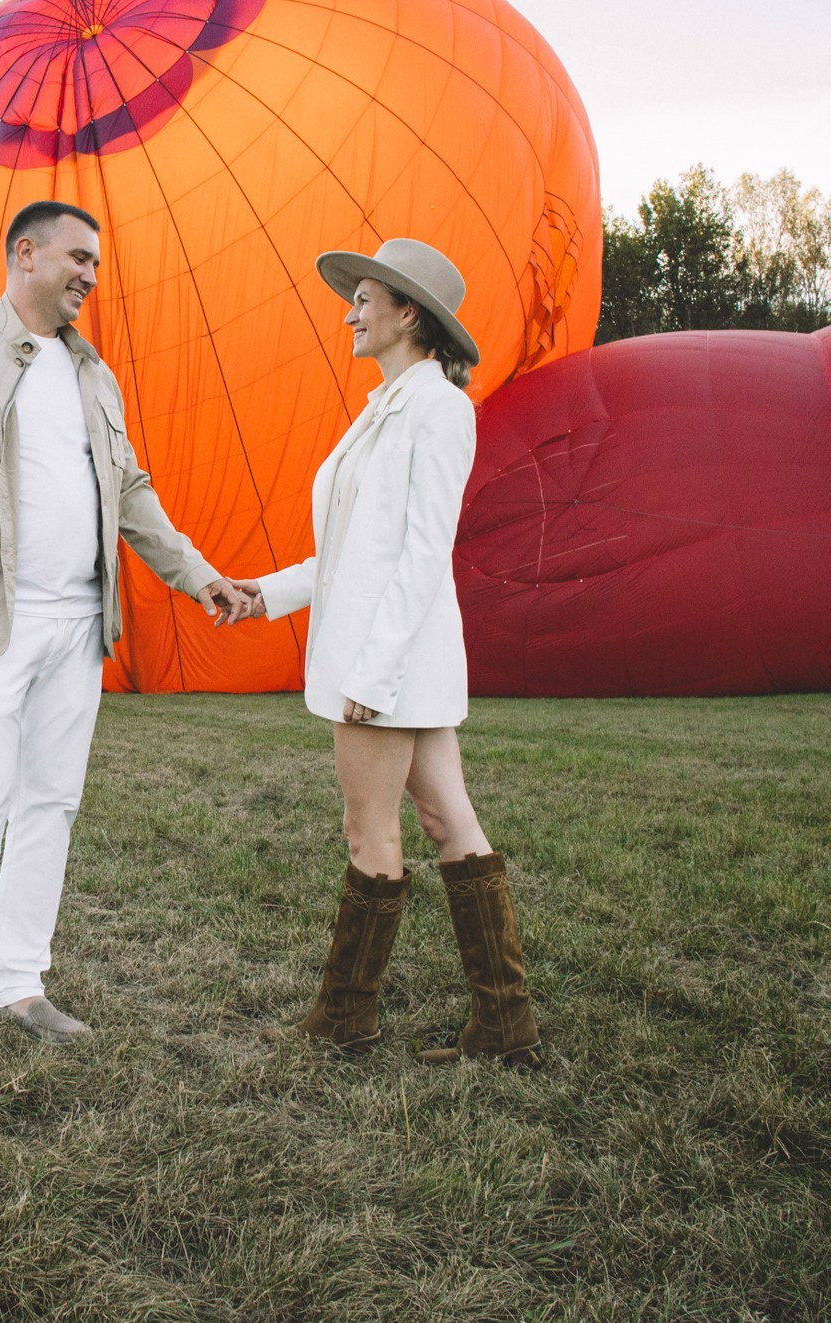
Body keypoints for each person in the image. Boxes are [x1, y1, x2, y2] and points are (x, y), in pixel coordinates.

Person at [0, 199, 254, 1096]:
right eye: (78, 257)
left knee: (49, 803)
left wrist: (198, 577)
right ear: (25, 253)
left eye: (96, 262)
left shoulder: (96, 376)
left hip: (80, 623)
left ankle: (21, 985)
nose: (90, 274)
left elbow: (134, 494)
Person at [229, 238, 540, 1066]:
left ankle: (345, 1017)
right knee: (447, 819)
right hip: (400, 660)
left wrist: (372, 673)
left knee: (370, 832)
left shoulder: (438, 409)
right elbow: (353, 549)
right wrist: (268, 592)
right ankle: (504, 1023)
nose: (350, 311)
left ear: (409, 312)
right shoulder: (385, 406)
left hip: (387, 662)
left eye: (364, 298)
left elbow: (422, 550)